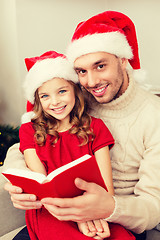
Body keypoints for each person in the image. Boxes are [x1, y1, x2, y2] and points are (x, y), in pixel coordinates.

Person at [3, 11, 160, 240]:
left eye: (100, 66)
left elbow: (152, 206)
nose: (92, 82)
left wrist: (105, 209)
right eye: (82, 71)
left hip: (116, 218)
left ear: (123, 60)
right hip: (59, 209)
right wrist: (21, 180)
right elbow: (27, 142)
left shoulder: (154, 115)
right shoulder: (75, 100)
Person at [9, 49, 135, 240]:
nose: (55, 102)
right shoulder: (30, 131)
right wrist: (78, 219)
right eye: (45, 96)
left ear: (75, 92)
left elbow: (107, 189)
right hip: (50, 210)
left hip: (93, 207)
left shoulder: (96, 127)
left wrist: (89, 215)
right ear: (38, 100)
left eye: (62, 91)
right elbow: (43, 187)